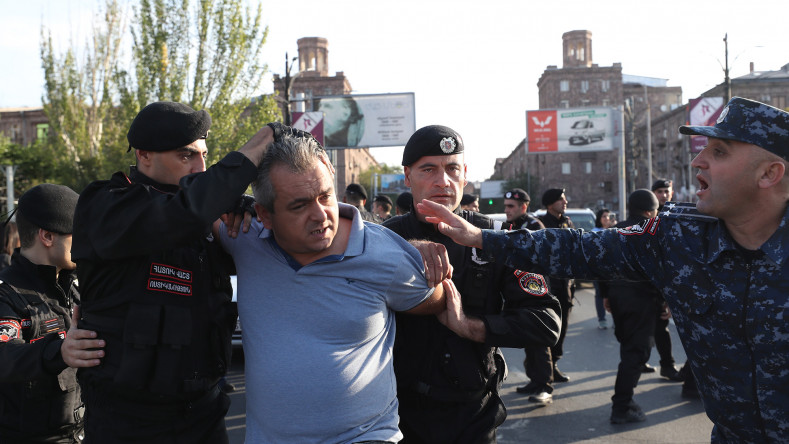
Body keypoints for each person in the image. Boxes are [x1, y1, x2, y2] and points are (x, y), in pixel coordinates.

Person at [416, 97, 789, 443]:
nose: (698, 161)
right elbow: (581, 248)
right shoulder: (679, 238)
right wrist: (481, 237)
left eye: (719, 151)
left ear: (769, 173)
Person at [70, 101, 285, 443]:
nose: (201, 166)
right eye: (186, 155)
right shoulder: (105, 204)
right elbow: (179, 214)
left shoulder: (210, 214)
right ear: (144, 155)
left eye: (204, 154)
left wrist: (242, 207)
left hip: (205, 415)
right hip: (128, 423)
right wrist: (264, 140)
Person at [217, 130, 451, 443]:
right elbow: (184, 199)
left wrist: (423, 261)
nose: (320, 216)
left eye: (325, 196)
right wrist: (232, 188)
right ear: (264, 215)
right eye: (299, 206)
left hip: (366, 437)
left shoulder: (386, 254)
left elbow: (432, 300)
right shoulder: (243, 236)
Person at [383, 125, 561, 441]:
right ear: (407, 177)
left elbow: (545, 323)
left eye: (452, 168)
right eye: (428, 169)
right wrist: (400, 253)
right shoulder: (382, 238)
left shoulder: (497, 238)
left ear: (465, 175)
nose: (443, 181)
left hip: (473, 416)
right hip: (397, 417)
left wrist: (469, 326)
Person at [0, 184, 95, 443]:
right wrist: (59, 350)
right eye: (77, 235)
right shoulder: (6, 293)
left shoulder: (77, 287)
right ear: (47, 236)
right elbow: (5, 355)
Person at [597, 190, 661, 424]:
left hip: (618, 297)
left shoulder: (615, 230)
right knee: (636, 353)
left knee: (628, 349)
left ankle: (623, 402)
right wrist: (664, 301)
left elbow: (601, 264)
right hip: (641, 300)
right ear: (648, 211)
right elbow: (661, 270)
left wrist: (606, 295)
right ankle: (622, 406)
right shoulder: (652, 231)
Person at [646, 178, 684, 381]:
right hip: (645, 282)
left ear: (672, 192)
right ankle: (643, 358)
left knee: (662, 326)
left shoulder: (676, 215)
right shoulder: (645, 215)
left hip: (666, 280)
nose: (663, 195)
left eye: (665, 191)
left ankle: (667, 365)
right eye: (659, 191)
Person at [537, 188, 574, 383]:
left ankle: (555, 364)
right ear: (550, 204)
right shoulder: (542, 224)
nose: (565, 202)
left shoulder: (566, 222)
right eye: (561, 199)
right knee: (548, 327)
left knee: (563, 327)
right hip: (549, 285)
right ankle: (542, 373)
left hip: (566, 284)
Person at [591, 208, 615, 329]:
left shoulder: (613, 230)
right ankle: (602, 319)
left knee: (614, 294)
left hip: (613, 269)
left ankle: (615, 319)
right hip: (599, 269)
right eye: (604, 216)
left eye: (608, 216)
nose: (607, 219)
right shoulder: (595, 232)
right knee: (600, 293)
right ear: (599, 219)